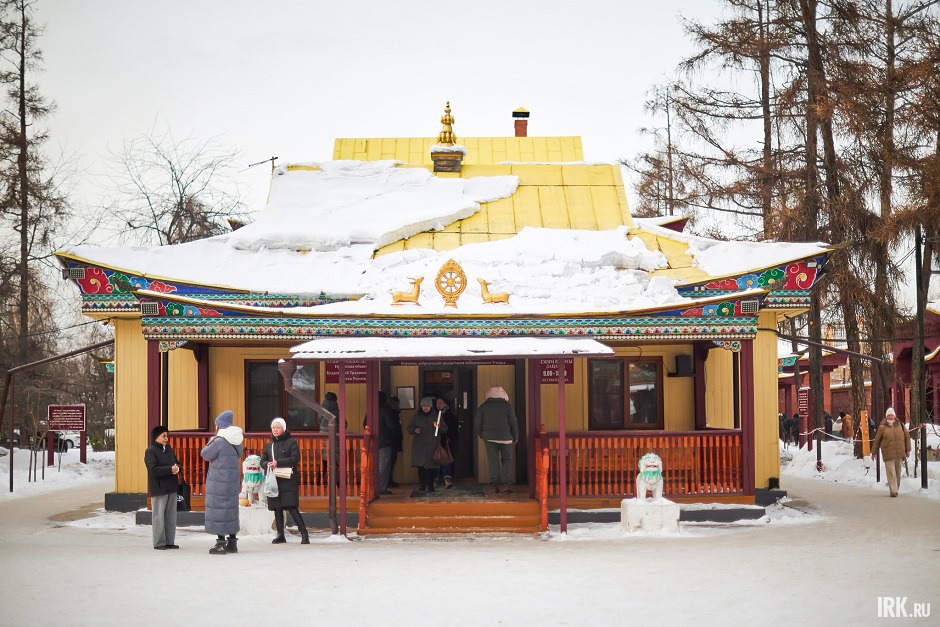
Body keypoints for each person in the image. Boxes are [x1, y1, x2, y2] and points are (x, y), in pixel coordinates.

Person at [201, 410, 244, 555]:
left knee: (218, 510)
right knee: (230, 510)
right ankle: (232, 542)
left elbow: (205, 454)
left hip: (218, 481)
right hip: (231, 481)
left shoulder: (219, 441)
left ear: (219, 426)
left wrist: (213, 439)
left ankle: (220, 543)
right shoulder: (236, 441)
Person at [262, 417, 308, 544]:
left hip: (288, 479)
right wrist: (267, 464)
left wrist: (278, 463)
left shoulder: (291, 442)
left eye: (278, 427)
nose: (275, 430)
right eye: (273, 427)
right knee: (277, 508)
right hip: (274, 479)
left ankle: (304, 534)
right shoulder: (269, 445)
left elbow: (295, 459)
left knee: (292, 507)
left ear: (284, 428)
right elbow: (263, 460)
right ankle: (280, 534)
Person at [474, 386, 518, 493]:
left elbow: (477, 423)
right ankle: (505, 484)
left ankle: (495, 484)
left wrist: (482, 435)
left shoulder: (483, 407)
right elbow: (513, 423)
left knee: (493, 460)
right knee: (506, 459)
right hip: (506, 438)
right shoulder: (507, 406)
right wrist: (515, 436)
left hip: (489, 438)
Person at [144, 425, 182, 550]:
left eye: (167, 436)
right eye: (163, 436)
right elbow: (153, 470)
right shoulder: (150, 451)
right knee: (159, 516)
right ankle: (159, 542)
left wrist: (178, 469)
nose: (166, 438)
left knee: (171, 516)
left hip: (172, 487)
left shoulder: (169, 449)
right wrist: (170, 469)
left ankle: (170, 541)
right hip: (159, 489)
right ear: (156, 437)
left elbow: (177, 463)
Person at [407, 396, 447, 493]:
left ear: (431, 406)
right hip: (420, 446)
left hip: (433, 445)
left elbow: (444, 429)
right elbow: (409, 428)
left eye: (427, 406)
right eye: (423, 406)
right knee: (421, 467)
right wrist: (414, 430)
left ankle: (430, 485)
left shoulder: (437, 416)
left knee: (432, 467)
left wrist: (439, 426)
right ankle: (422, 485)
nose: (425, 408)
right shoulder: (417, 416)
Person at [871, 407, 911, 497]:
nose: (890, 416)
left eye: (891, 415)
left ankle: (896, 489)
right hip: (888, 453)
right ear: (886, 416)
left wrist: (908, 449)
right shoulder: (882, 427)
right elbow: (877, 440)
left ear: (894, 415)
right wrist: (873, 453)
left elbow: (907, 437)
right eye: (888, 415)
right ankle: (893, 491)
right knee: (891, 472)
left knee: (897, 472)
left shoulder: (900, 424)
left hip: (900, 453)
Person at [435, 397, 458, 488]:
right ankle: (435, 478)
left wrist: (450, 437)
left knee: (446, 457)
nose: (438, 405)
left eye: (440, 403)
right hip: (435, 440)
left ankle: (447, 478)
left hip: (446, 440)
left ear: (445, 404)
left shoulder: (450, 415)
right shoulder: (433, 414)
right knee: (435, 458)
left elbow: (453, 428)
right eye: (437, 403)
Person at [387, 395, 403, 487]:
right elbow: (392, 425)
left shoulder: (391, 411)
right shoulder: (391, 412)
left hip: (392, 439)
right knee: (390, 461)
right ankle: (388, 481)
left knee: (390, 461)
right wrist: (398, 423)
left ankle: (388, 480)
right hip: (392, 439)